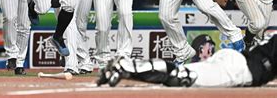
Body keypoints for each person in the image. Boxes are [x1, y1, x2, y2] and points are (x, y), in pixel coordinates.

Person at [97, 32, 277, 88]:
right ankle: (125, 65)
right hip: (240, 69)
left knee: (182, 75)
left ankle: (126, 68)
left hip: (236, 60)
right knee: (181, 76)